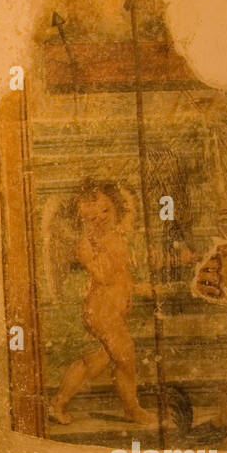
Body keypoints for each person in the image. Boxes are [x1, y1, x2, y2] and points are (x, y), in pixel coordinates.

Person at [48, 180, 156, 427]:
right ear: (82, 222)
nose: (102, 219)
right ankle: (132, 409)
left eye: (105, 211)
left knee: (94, 362)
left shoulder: (117, 236)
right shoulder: (87, 245)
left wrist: (138, 287)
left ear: (115, 207)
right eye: (92, 218)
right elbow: (104, 277)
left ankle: (59, 401)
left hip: (113, 311)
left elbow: (121, 276)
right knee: (126, 360)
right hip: (102, 312)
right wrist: (97, 257)